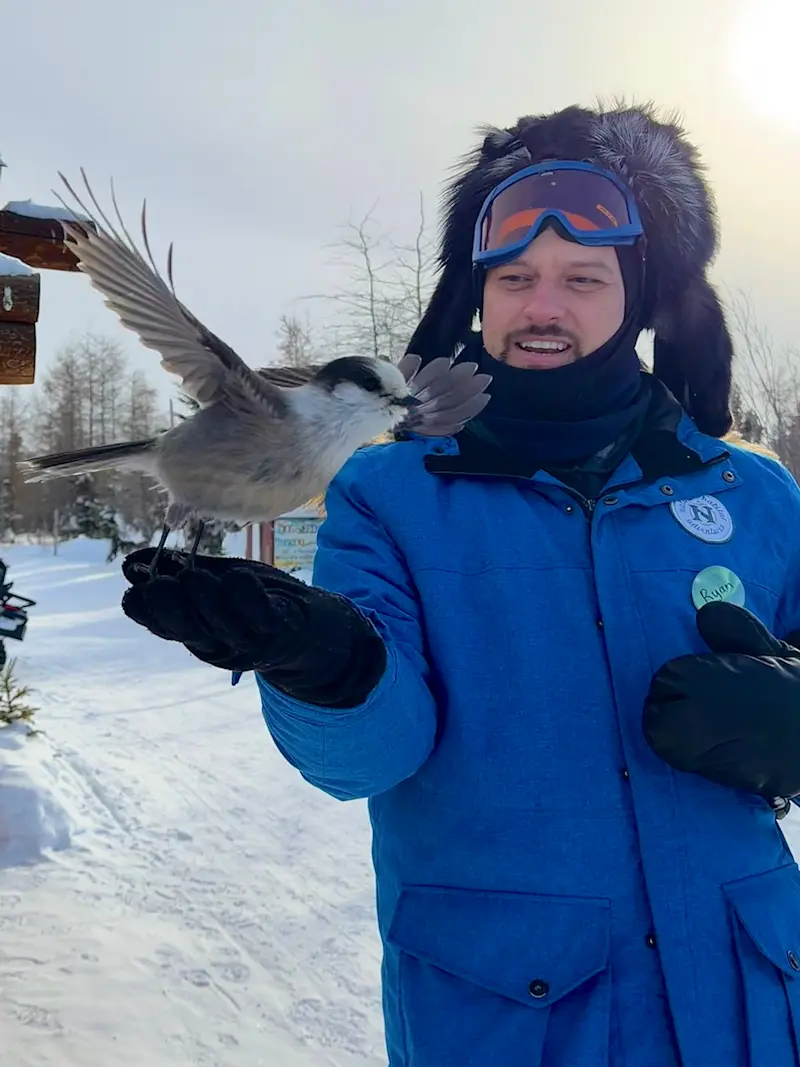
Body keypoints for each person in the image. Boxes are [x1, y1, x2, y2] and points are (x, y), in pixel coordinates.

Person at [120, 102, 800, 1067]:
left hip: (751, 1014)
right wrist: (329, 661)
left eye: (582, 278)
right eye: (514, 277)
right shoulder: (389, 494)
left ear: (639, 297)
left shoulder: (755, 491)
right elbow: (367, 758)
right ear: (478, 296)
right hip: (514, 1020)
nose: (543, 306)